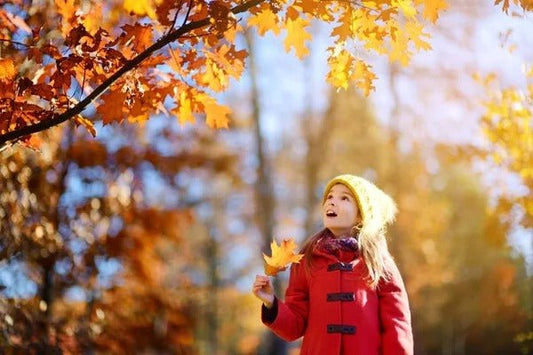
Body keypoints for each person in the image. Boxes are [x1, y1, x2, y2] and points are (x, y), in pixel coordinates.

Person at [252, 174, 413, 354]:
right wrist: (271, 304)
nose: (332, 202)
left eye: (344, 198)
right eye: (329, 196)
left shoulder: (379, 263)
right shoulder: (307, 260)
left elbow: (397, 323)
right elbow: (294, 326)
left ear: (361, 215)